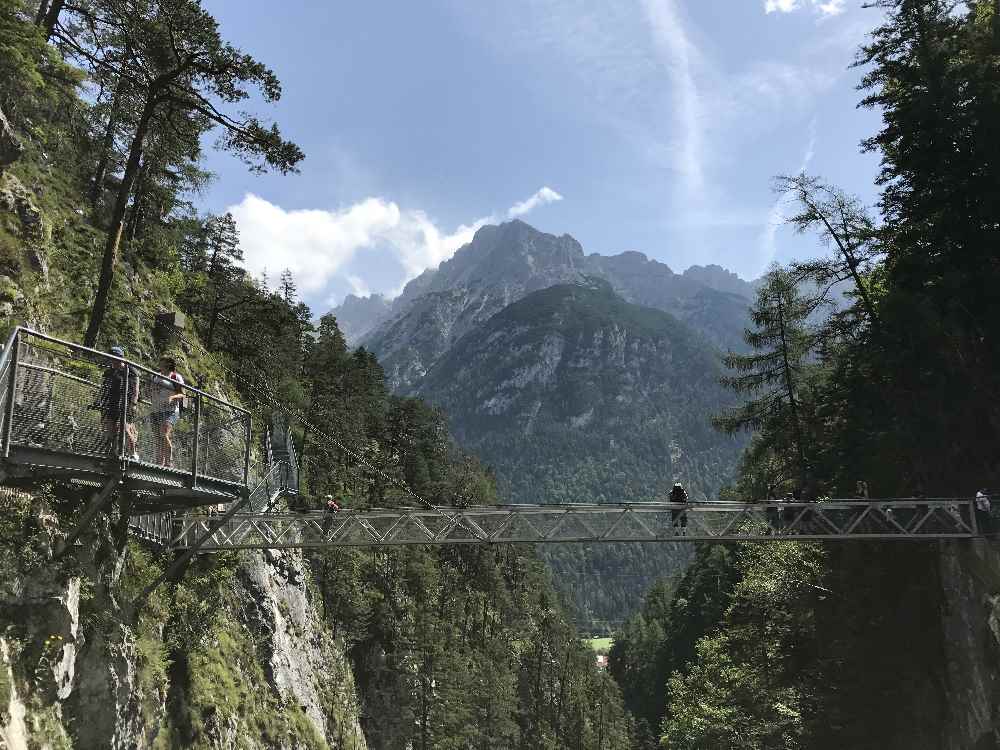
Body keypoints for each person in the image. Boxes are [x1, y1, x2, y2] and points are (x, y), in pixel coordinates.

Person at [98, 346, 139, 459]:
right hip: (111, 403)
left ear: (120, 358)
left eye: (114, 359)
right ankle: (111, 452)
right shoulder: (108, 372)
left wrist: (133, 404)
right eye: (111, 359)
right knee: (110, 427)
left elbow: (136, 389)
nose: (112, 362)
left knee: (125, 428)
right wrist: (101, 403)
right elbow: (104, 388)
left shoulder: (131, 371)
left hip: (126, 404)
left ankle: (133, 452)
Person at [149, 356, 185, 467]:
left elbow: (183, 394)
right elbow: (151, 389)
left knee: (163, 434)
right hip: (156, 410)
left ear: (168, 364)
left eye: (162, 361)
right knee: (157, 438)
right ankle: (160, 463)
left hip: (170, 410)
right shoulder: (156, 376)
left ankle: (169, 463)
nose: (159, 363)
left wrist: (172, 398)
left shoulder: (175, 376)